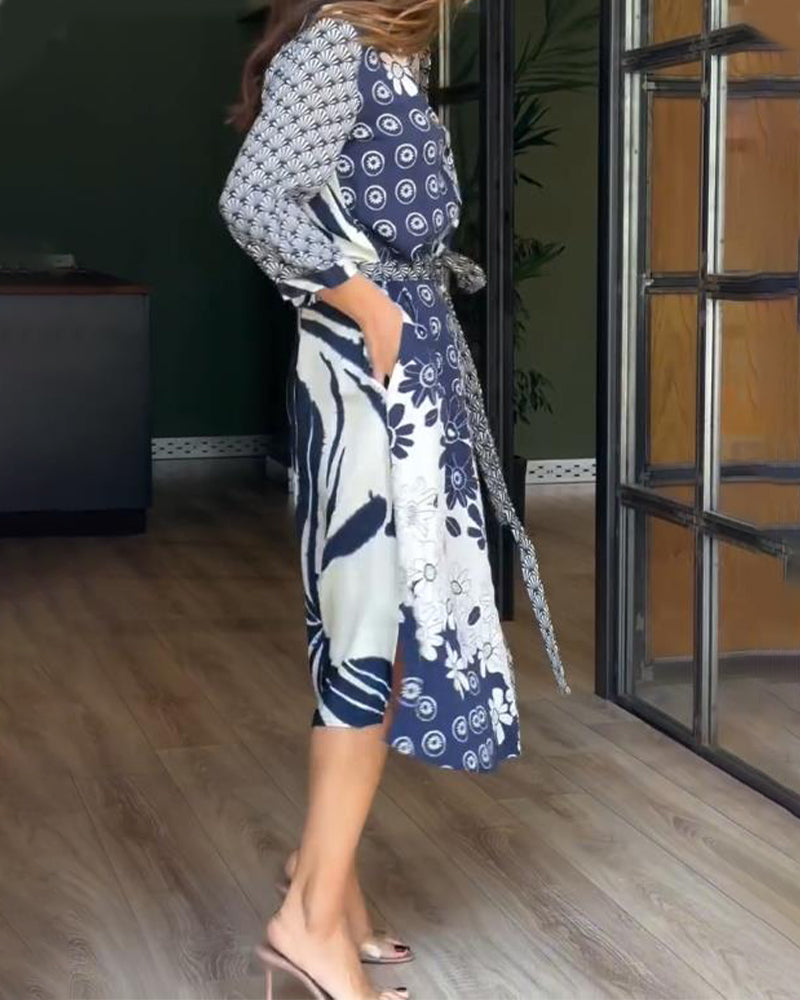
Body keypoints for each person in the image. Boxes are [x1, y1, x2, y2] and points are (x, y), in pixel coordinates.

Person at [218, 2, 570, 996]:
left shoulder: (384, 51)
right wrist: (370, 303)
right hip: (366, 382)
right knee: (368, 639)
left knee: (381, 634)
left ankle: (324, 879)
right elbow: (254, 200)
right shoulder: (336, 42)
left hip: (400, 376)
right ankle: (307, 920)